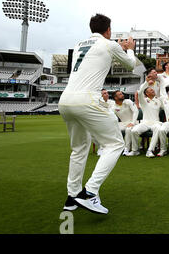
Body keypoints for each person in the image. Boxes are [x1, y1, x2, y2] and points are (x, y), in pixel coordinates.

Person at [59, 13, 137, 214]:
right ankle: (90, 192)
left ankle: (72, 196)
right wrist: (129, 49)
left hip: (66, 100)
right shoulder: (109, 44)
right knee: (115, 144)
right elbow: (131, 66)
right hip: (88, 100)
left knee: (78, 148)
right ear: (108, 30)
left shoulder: (79, 45)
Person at [130, 87, 164, 158]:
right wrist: (146, 81)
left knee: (157, 129)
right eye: (151, 90)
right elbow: (139, 93)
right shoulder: (144, 101)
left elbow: (166, 108)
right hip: (145, 123)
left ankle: (150, 150)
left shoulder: (158, 101)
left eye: (153, 90)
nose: (153, 91)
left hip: (156, 122)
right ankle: (135, 150)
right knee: (134, 131)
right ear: (147, 93)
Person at [112, 90, 139, 156]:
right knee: (112, 129)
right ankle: (115, 148)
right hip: (123, 123)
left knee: (128, 129)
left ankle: (127, 149)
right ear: (115, 98)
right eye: (120, 94)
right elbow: (111, 117)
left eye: (122, 94)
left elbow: (136, 111)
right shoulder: (114, 107)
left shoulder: (128, 101)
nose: (122, 95)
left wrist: (133, 122)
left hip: (134, 122)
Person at [93, 89, 115, 157]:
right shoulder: (97, 103)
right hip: (99, 121)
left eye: (107, 93)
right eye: (105, 93)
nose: (107, 94)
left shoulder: (112, 102)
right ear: (101, 96)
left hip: (109, 121)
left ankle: (103, 148)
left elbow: (111, 111)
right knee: (91, 132)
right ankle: (100, 147)